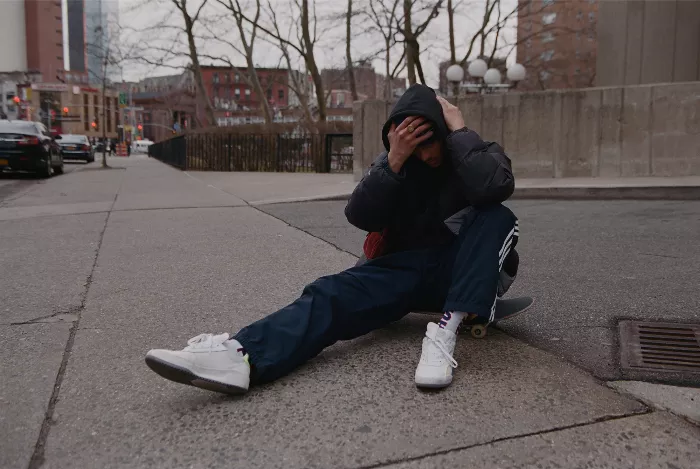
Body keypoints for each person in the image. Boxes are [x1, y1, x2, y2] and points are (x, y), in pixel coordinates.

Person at [145, 84, 519, 394]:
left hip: (464, 274)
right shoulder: (398, 167)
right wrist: (393, 162)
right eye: (413, 144)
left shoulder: (474, 154)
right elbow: (360, 216)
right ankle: (239, 356)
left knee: (495, 215)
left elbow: (494, 187)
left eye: (430, 141)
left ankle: (445, 332)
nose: (424, 153)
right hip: (407, 274)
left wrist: (459, 131)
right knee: (329, 293)